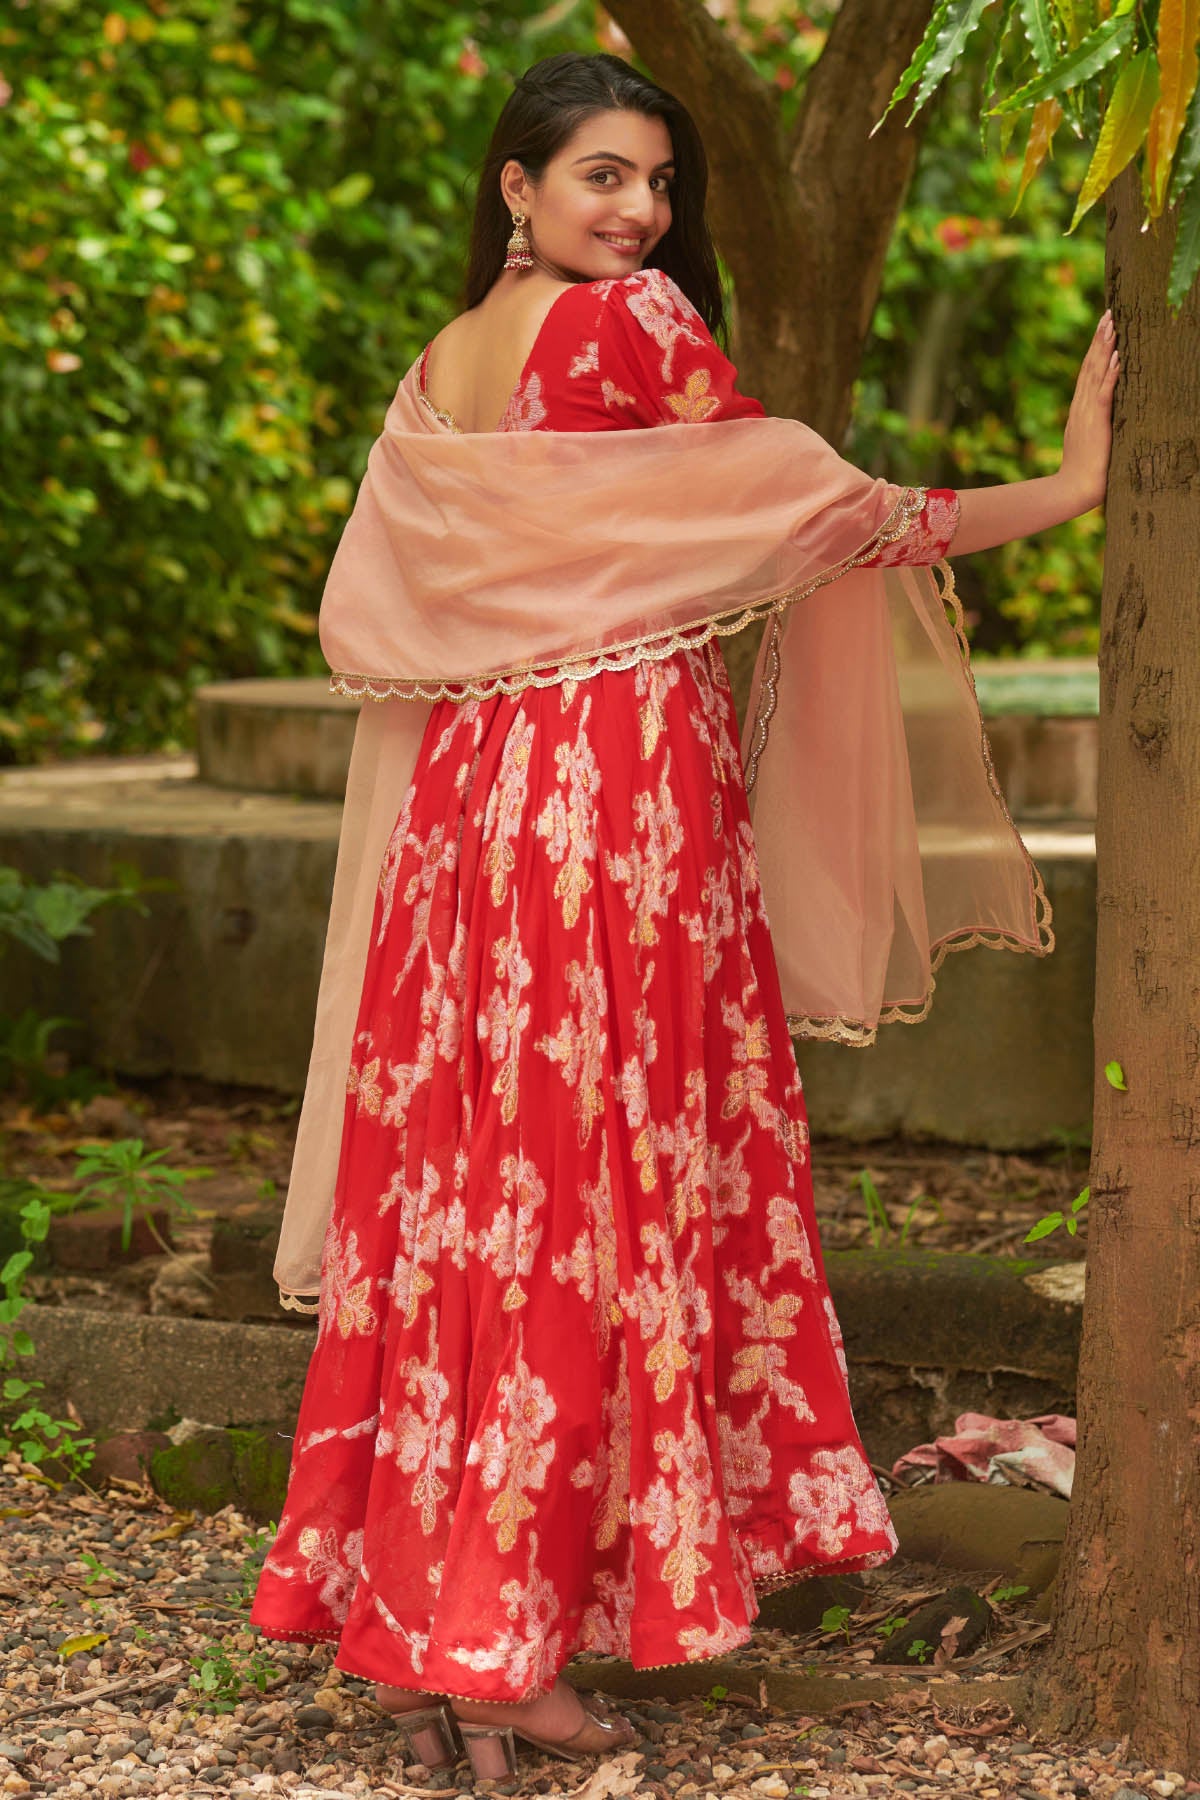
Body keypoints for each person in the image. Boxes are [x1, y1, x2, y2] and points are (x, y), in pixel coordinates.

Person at [250, 50, 1118, 1783]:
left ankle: (433, 1622)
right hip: (612, 819)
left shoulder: (437, 378)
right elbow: (827, 518)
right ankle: (499, 1656)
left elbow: (412, 617)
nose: (639, 212)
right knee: (584, 1208)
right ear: (518, 186)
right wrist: (1072, 486)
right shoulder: (631, 326)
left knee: (473, 1211)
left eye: (657, 183)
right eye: (601, 176)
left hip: (471, 827)